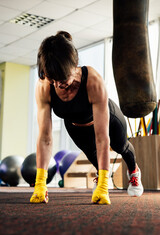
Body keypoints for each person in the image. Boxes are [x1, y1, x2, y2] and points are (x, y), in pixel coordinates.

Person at [30, 31, 143, 205]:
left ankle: (134, 172)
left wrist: (104, 186)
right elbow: (45, 138)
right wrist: (40, 184)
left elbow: (102, 137)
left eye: (63, 78)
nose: (59, 84)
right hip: (76, 126)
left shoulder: (92, 80)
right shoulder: (44, 86)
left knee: (122, 146)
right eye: (53, 79)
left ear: (74, 65)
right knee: (92, 154)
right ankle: (102, 174)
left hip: (109, 118)